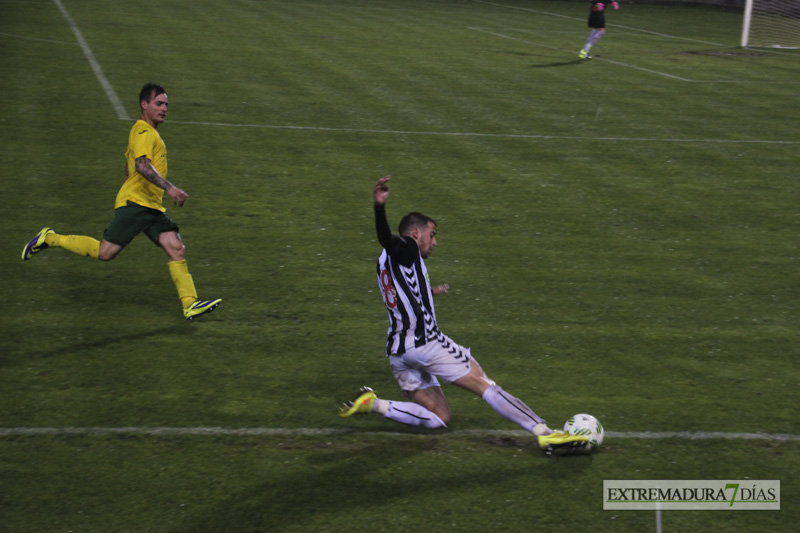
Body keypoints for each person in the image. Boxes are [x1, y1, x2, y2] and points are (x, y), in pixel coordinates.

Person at [339, 175, 590, 454]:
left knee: (440, 418)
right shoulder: (406, 247)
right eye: (432, 235)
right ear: (415, 234)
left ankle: (373, 404)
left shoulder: (385, 262)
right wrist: (379, 207)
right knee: (486, 385)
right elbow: (387, 238)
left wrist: (429, 291)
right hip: (427, 345)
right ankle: (545, 433)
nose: (434, 243)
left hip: (398, 351)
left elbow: (400, 293)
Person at [21, 82, 221, 320]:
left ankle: (190, 304)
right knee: (104, 252)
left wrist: (134, 184)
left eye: (166, 104)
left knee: (176, 247)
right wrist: (171, 188)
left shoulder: (146, 133)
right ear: (144, 105)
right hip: (138, 205)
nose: (164, 108)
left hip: (150, 206)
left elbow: (128, 166)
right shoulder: (143, 131)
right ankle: (49, 238)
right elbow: (141, 165)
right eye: (159, 103)